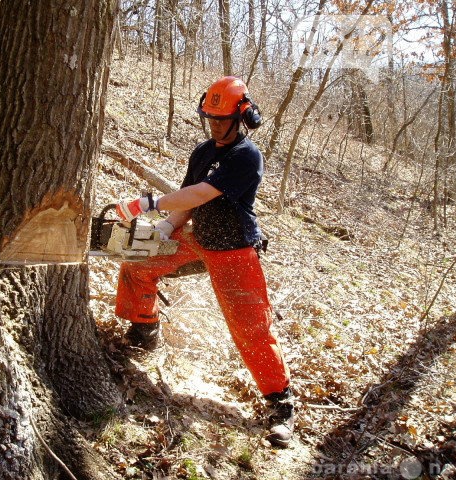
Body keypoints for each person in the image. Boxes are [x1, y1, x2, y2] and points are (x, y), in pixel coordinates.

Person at [113, 76, 295, 447]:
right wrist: (164, 227)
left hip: (232, 249)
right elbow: (187, 201)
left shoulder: (246, 155)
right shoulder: (202, 152)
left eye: (221, 119)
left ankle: (282, 403)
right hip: (195, 238)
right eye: (209, 118)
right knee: (137, 263)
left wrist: (148, 204)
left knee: (251, 328)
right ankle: (144, 330)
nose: (214, 126)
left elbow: (203, 192)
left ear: (241, 116)